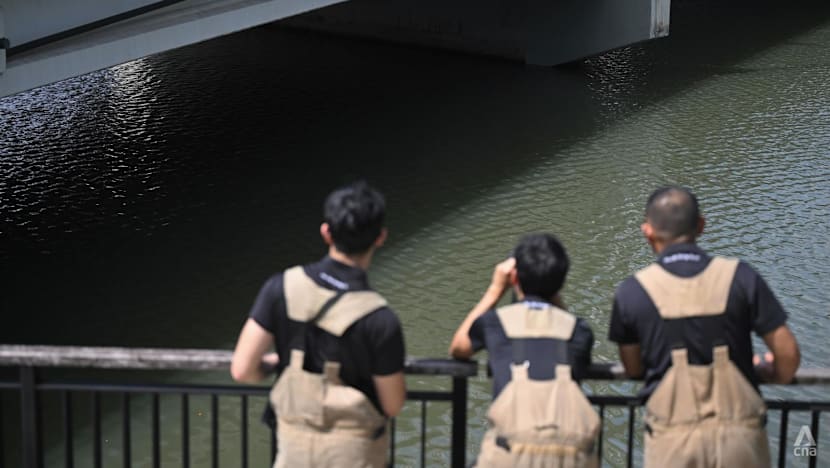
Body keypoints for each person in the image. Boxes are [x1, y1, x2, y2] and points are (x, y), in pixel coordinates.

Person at [608, 186, 801, 467]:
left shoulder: (632, 291)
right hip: (740, 439)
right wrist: (774, 374)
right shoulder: (740, 276)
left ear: (647, 231)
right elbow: (789, 353)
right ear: (701, 225)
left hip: (671, 442)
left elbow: (633, 368)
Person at [230, 181, 406, 468]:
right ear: (380, 237)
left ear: (326, 232)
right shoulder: (380, 319)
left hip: (293, 451)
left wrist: (278, 364)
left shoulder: (280, 288)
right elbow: (392, 404)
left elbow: (242, 369)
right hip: (356, 455)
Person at [450, 233, 599, 467]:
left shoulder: (495, 323)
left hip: (510, 454)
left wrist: (496, 289)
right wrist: (551, 290)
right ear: (561, 282)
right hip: (571, 456)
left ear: (514, 277)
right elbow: (562, 320)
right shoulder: (579, 331)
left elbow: (459, 348)